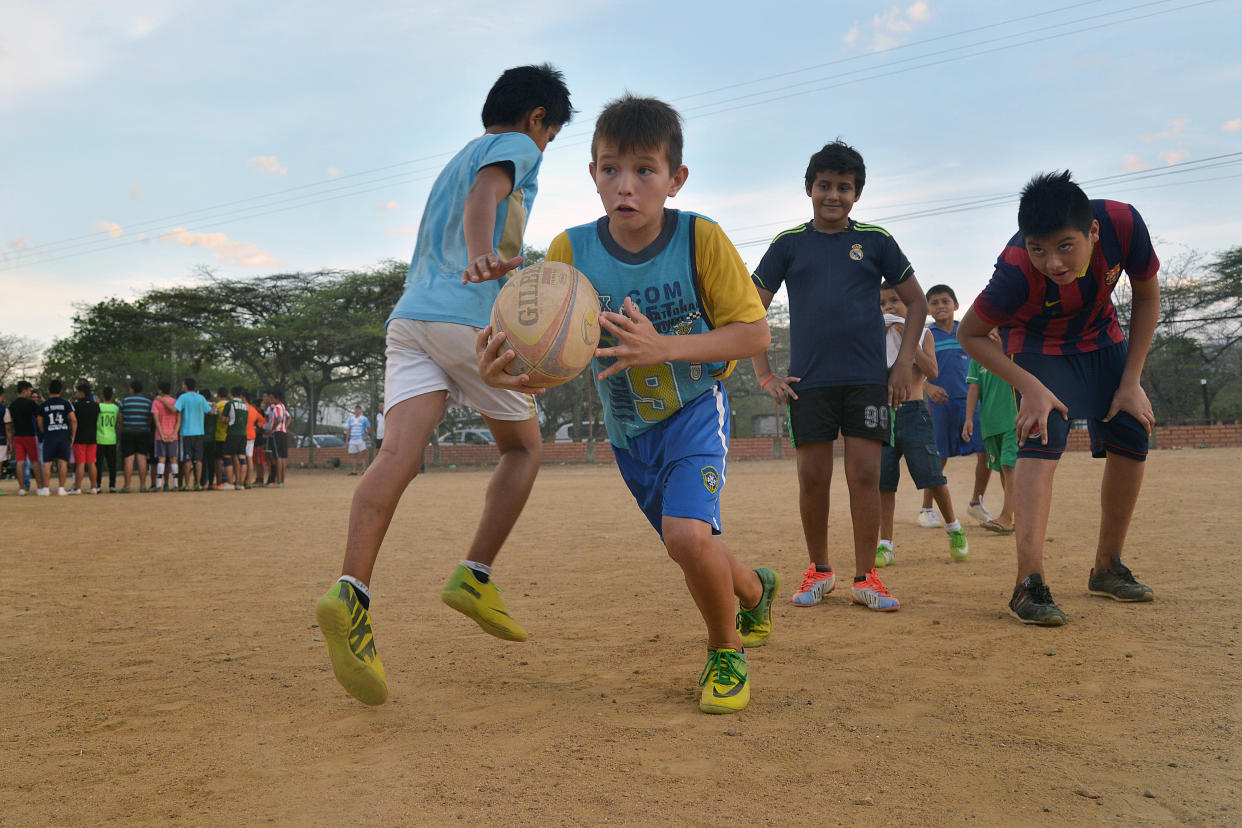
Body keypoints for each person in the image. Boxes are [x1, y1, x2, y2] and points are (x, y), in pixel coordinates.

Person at [487, 94, 780, 714]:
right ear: (592, 174)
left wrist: (664, 346)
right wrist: (516, 374)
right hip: (628, 430)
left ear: (675, 179)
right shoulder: (569, 254)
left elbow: (753, 334)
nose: (627, 186)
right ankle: (755, 590)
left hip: (695, 409)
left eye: (645, 170)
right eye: (610, 168)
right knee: (691, 543)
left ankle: (724, 650)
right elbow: (555, 355)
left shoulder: (702, 238)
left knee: (685, 535)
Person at [315, 64, 574, 707]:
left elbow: (468, 196)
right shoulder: (512, 147)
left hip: (411, 321)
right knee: (523, 448)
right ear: (538, 118)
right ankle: (475, 574)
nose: (544, 150)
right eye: (551, 136)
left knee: (396, 456)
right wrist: (484, 254)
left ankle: (352, 591)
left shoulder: (452, 159)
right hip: (467, 318)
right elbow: (485, 197)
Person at [958, 171, 1160, 626]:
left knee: (1132, 427)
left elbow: (1147, 298)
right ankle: (1028, 584)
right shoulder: (1012, 271)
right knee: (1040, 430)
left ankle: (1108, 567)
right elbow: (970, 334)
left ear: (1092, 232)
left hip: (1101, 337)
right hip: (1036, 345)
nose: (1052, 263)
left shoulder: (1123, 223)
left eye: (1065, 246)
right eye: (1039, 249)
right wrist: (1029, 385)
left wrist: (1131, 382)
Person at [751, 139, 928, 613]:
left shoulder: (875, 241)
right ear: (809, 188)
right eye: (824, 185)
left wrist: (902, 364)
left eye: (844, 187)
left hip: (867, 379)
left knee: (865, 474)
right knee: (813, 477)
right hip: (808, 383)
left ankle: (867, 577)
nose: (833, 195)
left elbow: (917, 301)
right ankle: (819, 570)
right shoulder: (788, 245)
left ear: (858, 194)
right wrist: (765, 374)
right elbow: (749, 309)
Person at [876, 286, 969, 567]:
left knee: (932, 477)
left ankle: (954, 528)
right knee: (884, 483)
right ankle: (886, 543)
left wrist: (909, 340)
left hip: (915, 412)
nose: (889, 308)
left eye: (895, 301)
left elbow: (932, 371)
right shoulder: (874, 336)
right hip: (884, 415)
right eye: (882, 303)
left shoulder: (924, 333)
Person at [919, 284, 993, 528]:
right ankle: (927, 509)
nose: (940, 306)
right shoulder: (926, 335)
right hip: (941, 405)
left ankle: (976, 502)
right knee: (938, 456)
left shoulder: (969, 333)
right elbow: (915, 367)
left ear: (956, 305)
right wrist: (928, 388)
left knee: (985, 452)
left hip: (972, 402)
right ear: (928, 309)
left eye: (945, 301)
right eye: (934, 303)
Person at [963, 330, 1018, 533]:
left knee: (1009, 466)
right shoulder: (977, 356)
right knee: (1004, 471)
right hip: (990, 424)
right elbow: (973, 389)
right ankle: (1016, 516)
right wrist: (968, 419)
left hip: (1014, 418)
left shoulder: (1013, 351)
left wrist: (1001, 350)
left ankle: (1006, 517)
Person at [37, 379, 77, 496]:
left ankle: (46, 488)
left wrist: (45, 431)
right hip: (63, 436)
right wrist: (73, 436)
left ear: (49, 390)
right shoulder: (66, 403)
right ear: (61, 390)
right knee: (63, 462)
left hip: (50, 436)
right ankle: (61, 488)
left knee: (47, 463)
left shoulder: (43, 405)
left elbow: (39, 421)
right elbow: (73, 420)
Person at [175, 377, 213, 492]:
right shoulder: (201, 398)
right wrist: (214, 405)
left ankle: (186, 484)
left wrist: (162, 401)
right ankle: (197, 484)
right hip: (199, 433)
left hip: (186, 433)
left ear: (186, 386)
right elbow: (210, 412)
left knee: (187, 460)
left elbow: (175, 409)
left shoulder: (182, 397)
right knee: (198, 460)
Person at [8, 382, 45, 495]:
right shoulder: (30, 404)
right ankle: (39, 487)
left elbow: (10, 425)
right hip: (30, 435)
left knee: (20, 462)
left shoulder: (12, 405)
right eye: (29, 390)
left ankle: (22, 488)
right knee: (35, 461)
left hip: (18, 436)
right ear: (25, 390)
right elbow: (39, 415)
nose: (30, 393)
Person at [120, 380, 153, 493]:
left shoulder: (125, 401)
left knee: (129, 459)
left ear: (132, 389)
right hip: (143, 432)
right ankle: (143, 486)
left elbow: (120, 418)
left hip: (128, 432)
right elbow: (150, 419)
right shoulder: (148, 402)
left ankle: (127, 486)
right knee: (142, 458)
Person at [71, 382, 101, 494]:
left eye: (78, 391)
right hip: (92, 437)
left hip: (80, 437)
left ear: (82, 393)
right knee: (91, 462)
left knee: (80, 463)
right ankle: (94, 486)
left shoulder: (76, 406)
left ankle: (77, 487)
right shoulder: (95, 405)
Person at [151, 380, 180, 492]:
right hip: (173, 435)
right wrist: (174, 434)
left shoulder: (156, 402)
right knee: (173, 459)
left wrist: (162, 434)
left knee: (161, 459)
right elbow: (178, 421)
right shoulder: (175, 402)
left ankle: (158, 485)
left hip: (160, 434)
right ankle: (176, 485)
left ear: (161, 390)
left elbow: (156, 420)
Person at [221, 386, 249, 490]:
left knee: (227, 456)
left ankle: (230, 482)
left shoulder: (230, 404)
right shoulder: (245, 406)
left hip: (232, 433)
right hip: (243, 434)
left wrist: (228, 420)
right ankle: (240, 483)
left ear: (231, 393)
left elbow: (223, 419)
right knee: (241, 458)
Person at [264, 390, 290, 487]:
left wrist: (273, 429)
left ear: (276, 398)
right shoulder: (283, 406)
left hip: (277, 433)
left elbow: (278, 419)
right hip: (283, 432)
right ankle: (281, 481)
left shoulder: (276, 408)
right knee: (283, 457)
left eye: (272, 398)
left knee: (278, 457)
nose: (271, 399)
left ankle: (278, 481)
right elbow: (288, 417)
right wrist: (285, 427)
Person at [96, 387, 120, 492]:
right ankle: (112, 486)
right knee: (112, 464)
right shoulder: (115, 408)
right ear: (112, 396)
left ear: (102, 395)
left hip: (99, 438)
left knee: (99, 465)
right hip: (111, 438)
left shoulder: (99, 406)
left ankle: (97, 485)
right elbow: (118, 421)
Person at [213, 387, 231, 489]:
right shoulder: (231, 405)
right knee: (231, 459)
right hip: (230, 436)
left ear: (218, 396)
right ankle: (230, 481)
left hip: (219, 436)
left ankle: (219, 482)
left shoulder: (217, 406)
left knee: (218, 460)